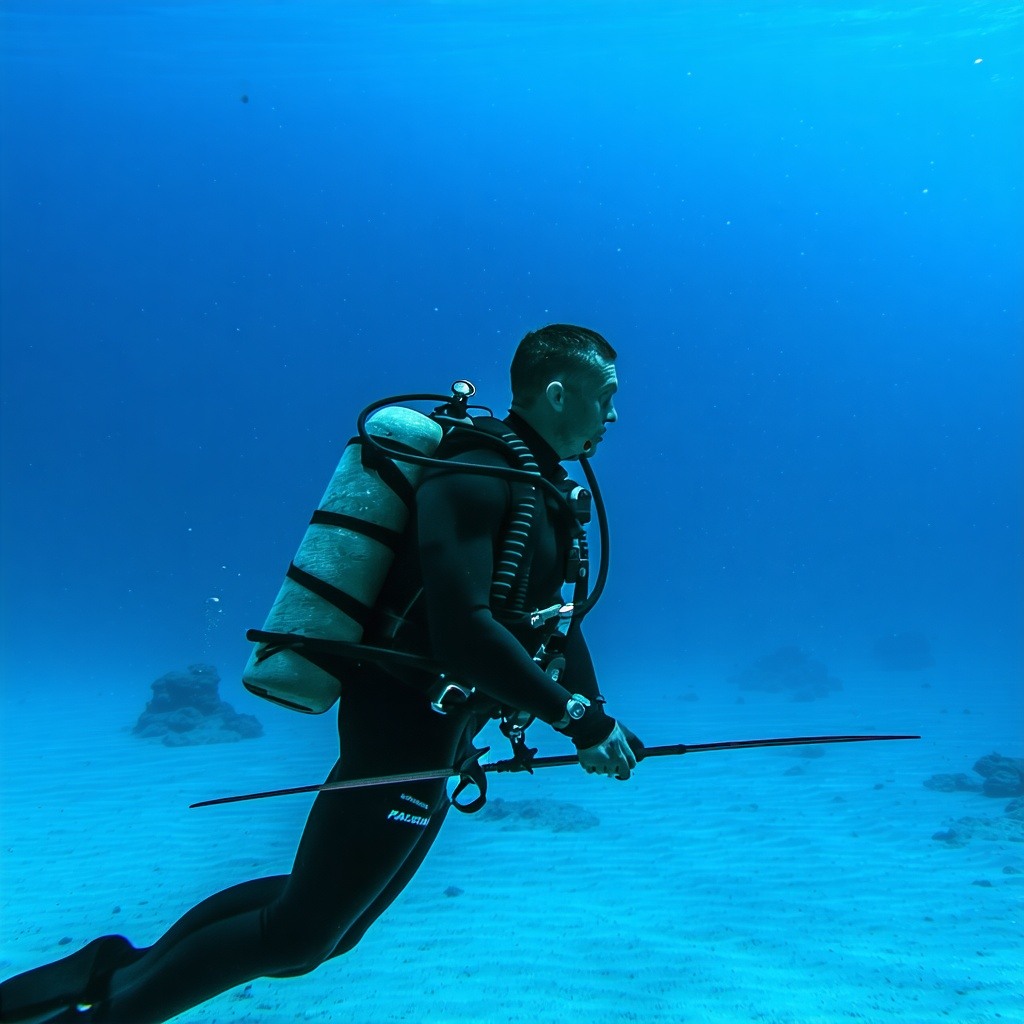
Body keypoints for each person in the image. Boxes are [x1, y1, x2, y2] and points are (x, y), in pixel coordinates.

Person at [0, 324, 644, 1023]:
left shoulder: (541, 485)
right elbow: (464, 635)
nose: (613, 415)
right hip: (401, 725)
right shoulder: (477, 473)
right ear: (558, 394)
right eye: (606, 397)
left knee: (321, 927)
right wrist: (577, 721)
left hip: (444, 732)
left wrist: (597, 713)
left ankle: (109, 969)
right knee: (300, 934)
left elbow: (558, 621)